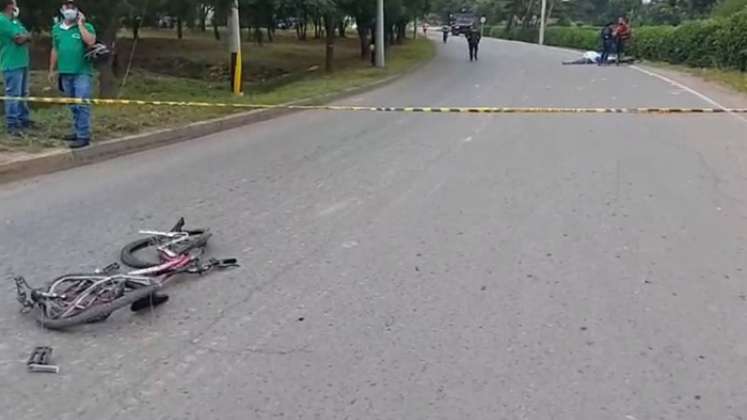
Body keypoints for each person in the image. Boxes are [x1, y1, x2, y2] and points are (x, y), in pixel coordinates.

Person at [49, 0, 96, 149]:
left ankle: (83, 135)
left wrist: (81, 24)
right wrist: (51, 69)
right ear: (62, 9)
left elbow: (90, 41)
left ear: (78, 10)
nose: (70, 9)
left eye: (73, 7)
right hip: (65, 72)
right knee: (73, 105)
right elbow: (55, 49)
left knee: (82, 103)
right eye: (67, 7)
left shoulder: (86, 26)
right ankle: (78, 131)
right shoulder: (57, 28)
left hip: (82, 72)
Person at [0, 0, 31, 136]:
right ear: (9, 5)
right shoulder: (2, 20)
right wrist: (25, 37)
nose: (16, 6)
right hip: (10, 62)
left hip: (22, 61)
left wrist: (25, 36)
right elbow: (19, 39)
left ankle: (23, 120)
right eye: (14, 3)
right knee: (13, 94)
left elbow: (26, 35)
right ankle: (13, 124)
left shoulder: (15, 21)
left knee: (23, 93)